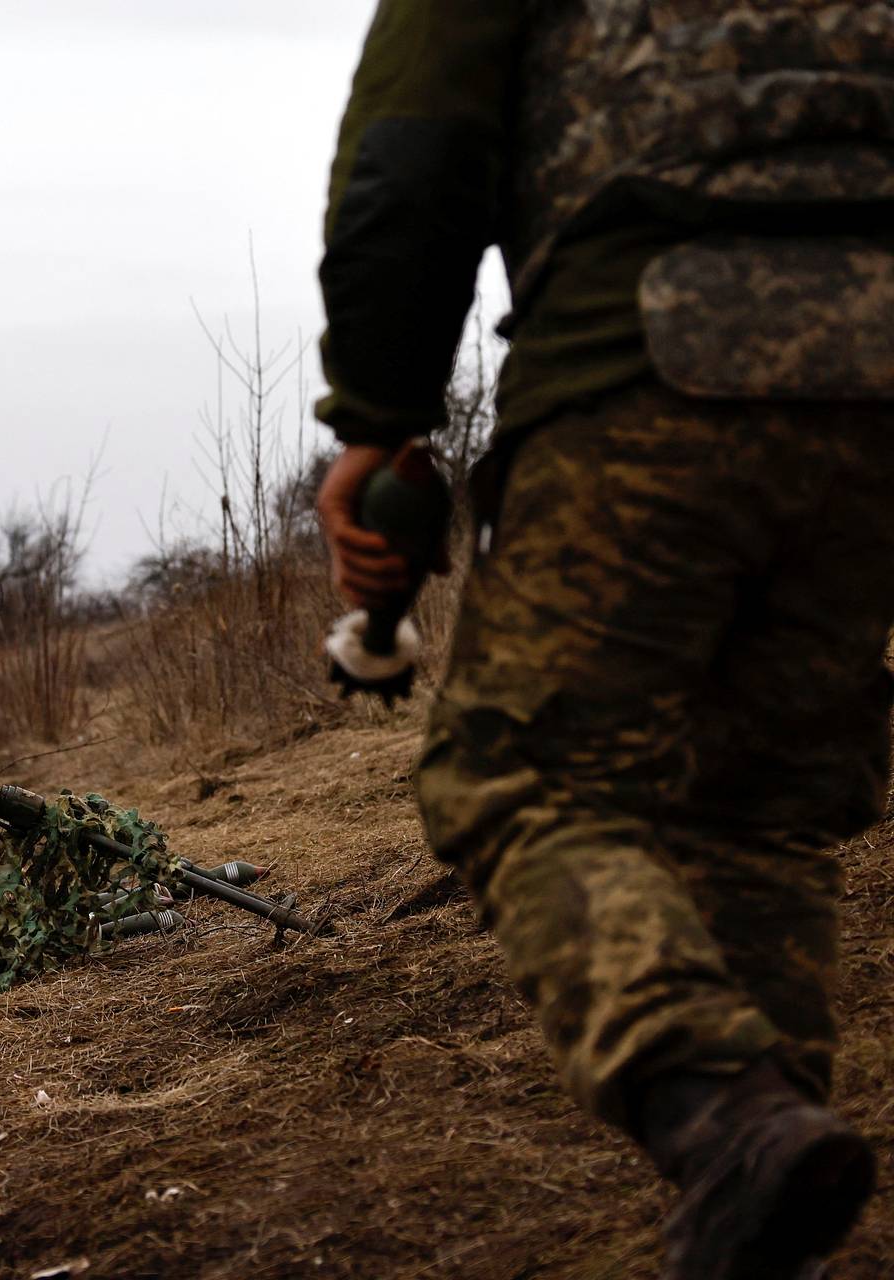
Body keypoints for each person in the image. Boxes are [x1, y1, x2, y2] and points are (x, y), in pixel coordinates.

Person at [314, 4, 894, 1277]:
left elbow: (408, 160)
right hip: (873, 386)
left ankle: (713, 1103)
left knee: (516, 772)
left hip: (645, 362)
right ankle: (758, 1201)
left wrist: (380, 415)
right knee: (759, 813)